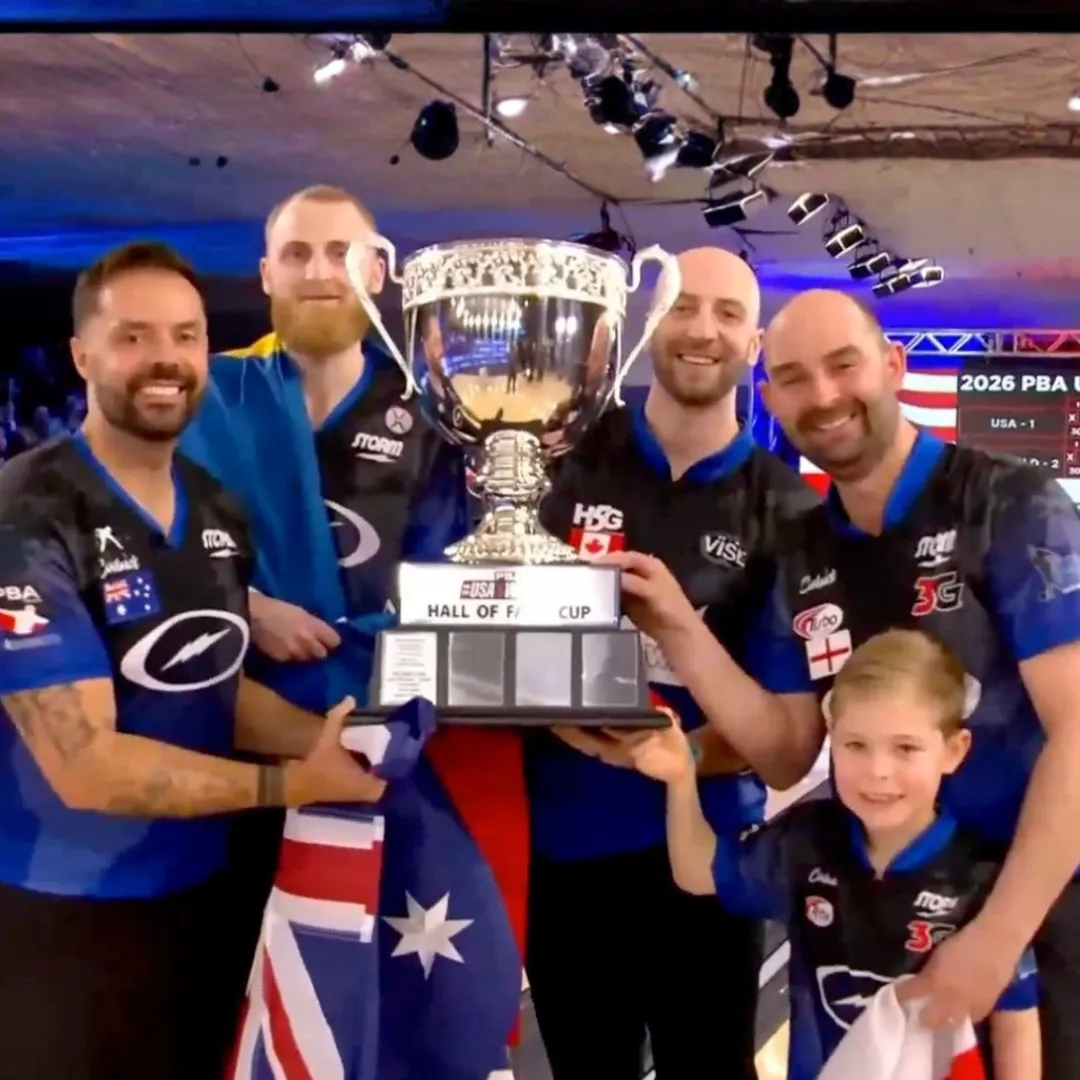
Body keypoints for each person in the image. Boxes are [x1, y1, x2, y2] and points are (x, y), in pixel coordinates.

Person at [606, 288, 1080, 1079]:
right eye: (793, 376)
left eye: (843, 365)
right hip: (875, 916)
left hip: (1041, 911)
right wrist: (677, 632)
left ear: (893, 366)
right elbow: (789, 752)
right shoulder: (803, 547)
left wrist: (997, 938)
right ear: (769, 396)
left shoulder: (1009, 504)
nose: (823, 396)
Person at [0, 241, 387, 1080]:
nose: (166, 359)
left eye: (186, 335)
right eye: (134, 337)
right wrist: (294, 784)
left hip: (211, 897)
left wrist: (355, 744)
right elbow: (86, 766)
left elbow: (216, 682)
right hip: (65, 918)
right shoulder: (26, 513)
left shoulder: (218, 509)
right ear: (82, 354)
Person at [180, 186, 531, 1035]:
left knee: (371, 1016)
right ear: (265, 274)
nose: (318, 272)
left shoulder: (441, 416)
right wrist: (244, 605)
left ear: (380, 271)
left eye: (340, 253)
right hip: (226, 751)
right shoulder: (209, 398)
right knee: (225, 1011)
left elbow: (453, 586)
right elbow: (155, 550)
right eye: (296, 254)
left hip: (384, 752)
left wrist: (346, 684)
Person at [525, 247, 821, 1080]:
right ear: (647, 323)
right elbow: (495, 643)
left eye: (728, 313)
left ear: (754, 342)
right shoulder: (554, 461)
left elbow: (783, 732)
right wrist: (572, 730)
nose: (703, 329)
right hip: (569, 842)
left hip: (708, 856)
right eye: (683, 306)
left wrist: (673, 756)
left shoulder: (787, 511)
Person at [630, 629, 1040, 1080]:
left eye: (905, 748)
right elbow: (696, 872)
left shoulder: (984, 876)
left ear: (953, 750)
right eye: (856, 745)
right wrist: (681, 778)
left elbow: (1016, 1026)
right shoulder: (807, 842)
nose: (878, 771)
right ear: (832, 740)